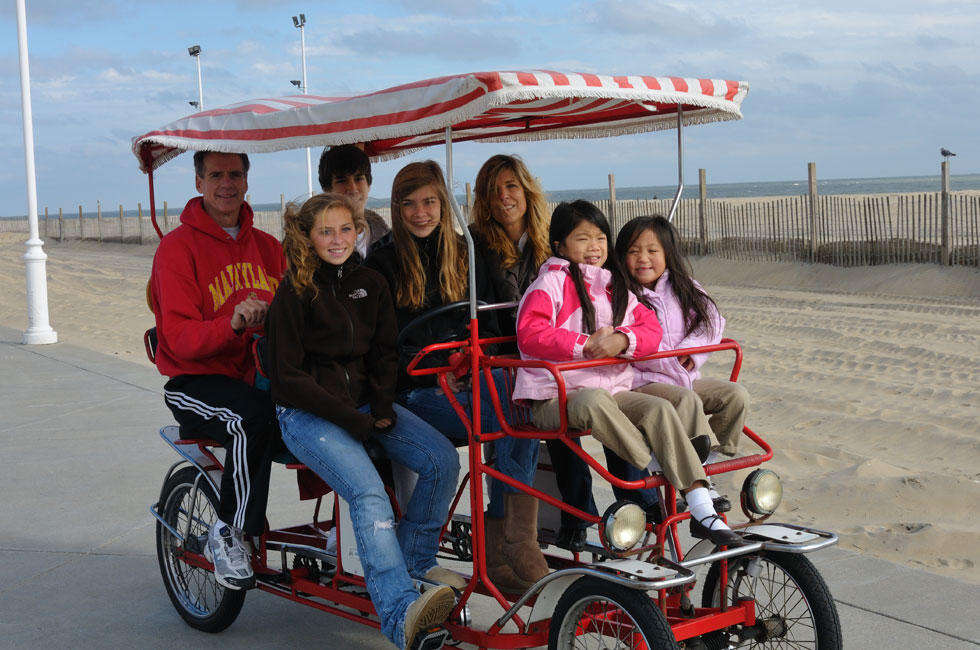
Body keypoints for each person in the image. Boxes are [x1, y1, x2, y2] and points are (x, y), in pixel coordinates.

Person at [265, 193, 461, 648]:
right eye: (325, 231)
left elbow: (384, 354)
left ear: (358, 232)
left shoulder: (371, 283)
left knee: (441, 460)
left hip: (366, 408)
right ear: (307, 237)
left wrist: (384, 408)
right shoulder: (294, 292)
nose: (337, 240)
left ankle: (414, 562)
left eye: (345, 229)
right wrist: (352, 421)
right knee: (369, 493)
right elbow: (288, 378)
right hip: (306, 414)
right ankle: (399, 612)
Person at [514, 200, 742, 548]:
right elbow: (531, 332)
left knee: (660, 408)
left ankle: (701, 509)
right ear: (560, 245)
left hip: (610, 388)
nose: (594, 247)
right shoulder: (550, 283)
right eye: (582, 239)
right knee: (594, 400)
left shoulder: (613, 286)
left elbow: (649, 328)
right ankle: (658, 461)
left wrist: (622, 339)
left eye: (600, 238)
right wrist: (585, 345)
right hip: (555, 393)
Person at [367, 160, 547, 593]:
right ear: (396, 208)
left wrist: (475, 360)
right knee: (509, 410)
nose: (421, 213)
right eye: (410, 204)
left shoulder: (465, 250)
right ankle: (507, 543)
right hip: (416, 390)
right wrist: (438, 372)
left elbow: (489, 323)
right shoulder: (383, 262)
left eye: (430, 202)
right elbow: (383, 346)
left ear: (443, 204)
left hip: (469, 378)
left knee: (522, 398)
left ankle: (509, 539)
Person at [471, 155, 661, 551]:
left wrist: (608, 338)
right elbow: (488, 310)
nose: (504, 197)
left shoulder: (551, 239)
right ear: (483, 199)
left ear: (527, 191)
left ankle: (637, 502)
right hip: (516, 354)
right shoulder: (474, 244)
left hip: (569, 354)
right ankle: (568, 517)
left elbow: (599, 295)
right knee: (562, 418)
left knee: (607, 401)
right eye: (494, 190)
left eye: (512, 187)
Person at [150, 151, 285, 590]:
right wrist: (233, 324)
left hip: (259, 376)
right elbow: (179, 338)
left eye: (235, 174)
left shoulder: (270, 248)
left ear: (247, 180)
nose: (226, 183)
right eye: (216, 175)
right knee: (250, 417)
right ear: (199, 182)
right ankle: (229, 532)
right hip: (196, 380)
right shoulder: (176, 249)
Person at [617, 215, 750, 507]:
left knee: (735, 395)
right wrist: (666, 361)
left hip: (682, 376)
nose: (643, 259)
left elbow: (712, 321)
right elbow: (626, 340)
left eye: (652, 251)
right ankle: (697, 481)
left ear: (667, 253)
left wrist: (692, 350)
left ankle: (706, 459)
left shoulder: (682, 286)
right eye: (633, 251)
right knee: (685, 401)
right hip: (642, 380)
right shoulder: (621, 294)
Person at [318, 144, 391, 257]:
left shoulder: (382, 231)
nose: (353, 188)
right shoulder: (316, 239)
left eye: (358, 179)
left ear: (368, 184)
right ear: (327, 190)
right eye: (342, 181)